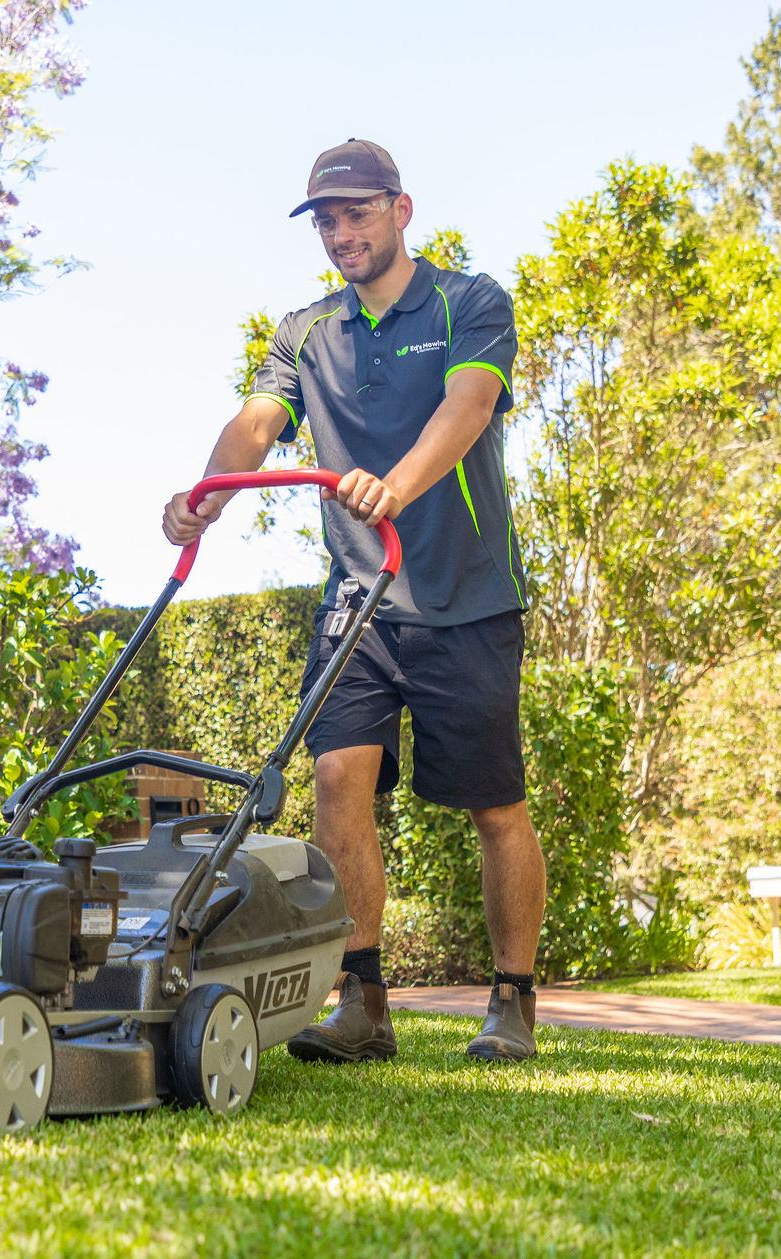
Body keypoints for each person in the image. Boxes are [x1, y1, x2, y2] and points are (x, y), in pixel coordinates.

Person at [160, 139, 544, 1062]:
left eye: (357, 212)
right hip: (359, 601)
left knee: (494, 805)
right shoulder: (306, 333)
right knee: (336, 776)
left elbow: (468, 407)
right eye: (326, 220)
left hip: (467, 597)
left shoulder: (467, 302)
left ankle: (513, 1000)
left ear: (401, 210)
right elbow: (257, 422)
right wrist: (206, 495)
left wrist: (396, 486)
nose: (340, 232)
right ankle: (363, 1002)